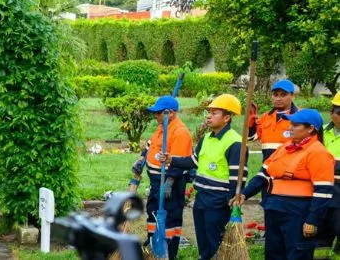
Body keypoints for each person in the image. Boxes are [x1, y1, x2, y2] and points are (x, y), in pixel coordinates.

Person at [233, 109, 335, 260]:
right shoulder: (284, 148)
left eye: (295, 125)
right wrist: (245, 194)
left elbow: (323, 191)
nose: (290, 128)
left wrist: (313, 220)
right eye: (290, 124)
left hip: (298, 213)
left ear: (310, 129)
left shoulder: (318, 153)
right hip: (275, 209)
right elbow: (263, 175)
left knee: (296, 254)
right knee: (274, 254)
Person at [166, 94, 246, 260]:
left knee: (216, 241)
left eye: (214, 113)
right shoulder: (206, 138)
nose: (209, 116)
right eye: (208, 112)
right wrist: (171, 159)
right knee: (203, 242)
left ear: (227, 118)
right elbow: (193, 161)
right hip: (201, 198)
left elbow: (238, 177)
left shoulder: (235, 142)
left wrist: (232, 200)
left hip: (218, 201)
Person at [130, 95, 192, 260]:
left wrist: (168, 183)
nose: (155, 116)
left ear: (170, 113)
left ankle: (167, 252)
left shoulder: (180, 132)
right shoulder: (162, 127)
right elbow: (150, 147)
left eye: (158, 113)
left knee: (169, 218)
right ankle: (154, 244)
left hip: (170, 184)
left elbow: (178, 163)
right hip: (157, 182)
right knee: (153, 214)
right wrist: (142, 159)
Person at [249, 79, 300, 162]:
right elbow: (252, 139)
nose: (278, 98)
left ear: (292, 95)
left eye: (283, 95)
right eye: (275, 95)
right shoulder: (266, 116)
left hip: (290, 168)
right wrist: (250, 126)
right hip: (267, 167)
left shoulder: (300, 116)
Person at [316, 92, 340, 258]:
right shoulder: (320, 132)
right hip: (321, 189)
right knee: (320, 232)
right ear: (331, 113)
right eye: (338, 112)